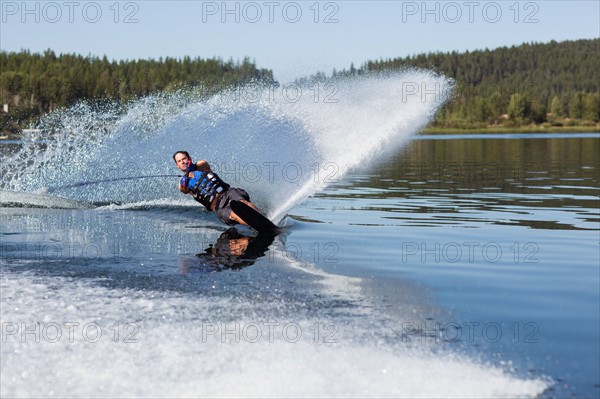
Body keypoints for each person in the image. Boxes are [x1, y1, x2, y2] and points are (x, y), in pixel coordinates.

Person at [173, 151, 261, 227]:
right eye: (179, 161)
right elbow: (182, 189)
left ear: (190, 159)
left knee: (242, 202)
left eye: (184, 159)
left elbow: (203, 163)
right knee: (234, 215)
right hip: (218, 207)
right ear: (177, 165)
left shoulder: (201, 166)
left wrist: (192, 168)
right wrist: (184, 181)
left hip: (227, 193)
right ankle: (256, 225)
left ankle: (261, 217)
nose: (182, 162)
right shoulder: (184, 183)